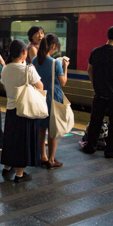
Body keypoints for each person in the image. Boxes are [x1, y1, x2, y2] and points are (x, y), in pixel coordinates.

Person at [82, 26, 113, 158]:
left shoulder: (96, 51)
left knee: (95, 121)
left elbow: (89, 70)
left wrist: (96, 84)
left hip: (100, 94)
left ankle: (90, 147)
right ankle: (110, 151)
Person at [0, 39, 44, 182]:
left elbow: (5, 87)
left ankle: (7, 166)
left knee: (10, 139)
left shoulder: (5, 68)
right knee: (23, 142)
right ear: (24, 52)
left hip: (11, 110)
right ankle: (20, 174)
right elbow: (40, 87)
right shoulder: (28, 69)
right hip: (24, 110)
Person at [32, 33, 68, 169]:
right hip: (53, 99)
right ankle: (51, 160)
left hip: (39, 98)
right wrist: (66, 66)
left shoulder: (35, 60)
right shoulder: (55, 63)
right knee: (53, 131)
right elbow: (62, 82)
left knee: (41, 129)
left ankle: (43, 157)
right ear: (53, 46)